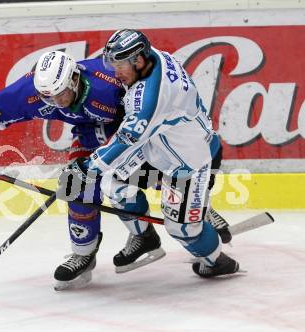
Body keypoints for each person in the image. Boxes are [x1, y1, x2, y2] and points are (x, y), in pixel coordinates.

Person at [0, 50, 127, 290]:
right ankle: (83, 253)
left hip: (129, 133)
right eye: (48, 97)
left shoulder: (107, 82)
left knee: (138, 179)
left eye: (60, 94)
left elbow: (144, 114)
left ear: (74, 79)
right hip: (88, 131)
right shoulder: (31, 91)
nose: (56, 102)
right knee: (76, 184)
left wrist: (109, 140)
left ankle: (176, 233)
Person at [58, 29, 240, 279]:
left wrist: (87, 167)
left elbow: (127, 137)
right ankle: (145, 237)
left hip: (188, 162)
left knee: (183, 230)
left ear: (138, 60)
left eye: (120, 65)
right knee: (112, 182)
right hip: (158, 145)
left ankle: (216, 261)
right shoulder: (153, 57)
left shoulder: (152, 98)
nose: (115, 72)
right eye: (112, 63)